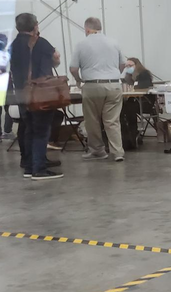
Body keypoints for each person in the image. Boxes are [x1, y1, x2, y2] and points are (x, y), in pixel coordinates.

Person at [8, 13, 63, 181]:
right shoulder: (41, 43)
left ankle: (29, 166)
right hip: (40, 93)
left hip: (21, 94)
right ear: (35, 26)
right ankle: (39, 169)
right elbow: (54, 61)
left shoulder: (13, 45)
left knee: (29, 129)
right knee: (41, 131)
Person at [70, 17, 127, 163]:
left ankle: (98, 151)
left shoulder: (81, 44)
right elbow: (122, 64)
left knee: (92, 120)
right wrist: (114, 74)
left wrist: (78, 79)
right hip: (114, 85)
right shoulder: (114, 42)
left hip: (92, 85)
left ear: (87, 29)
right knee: (112, 121)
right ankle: (118, 152)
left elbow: (73, 68)